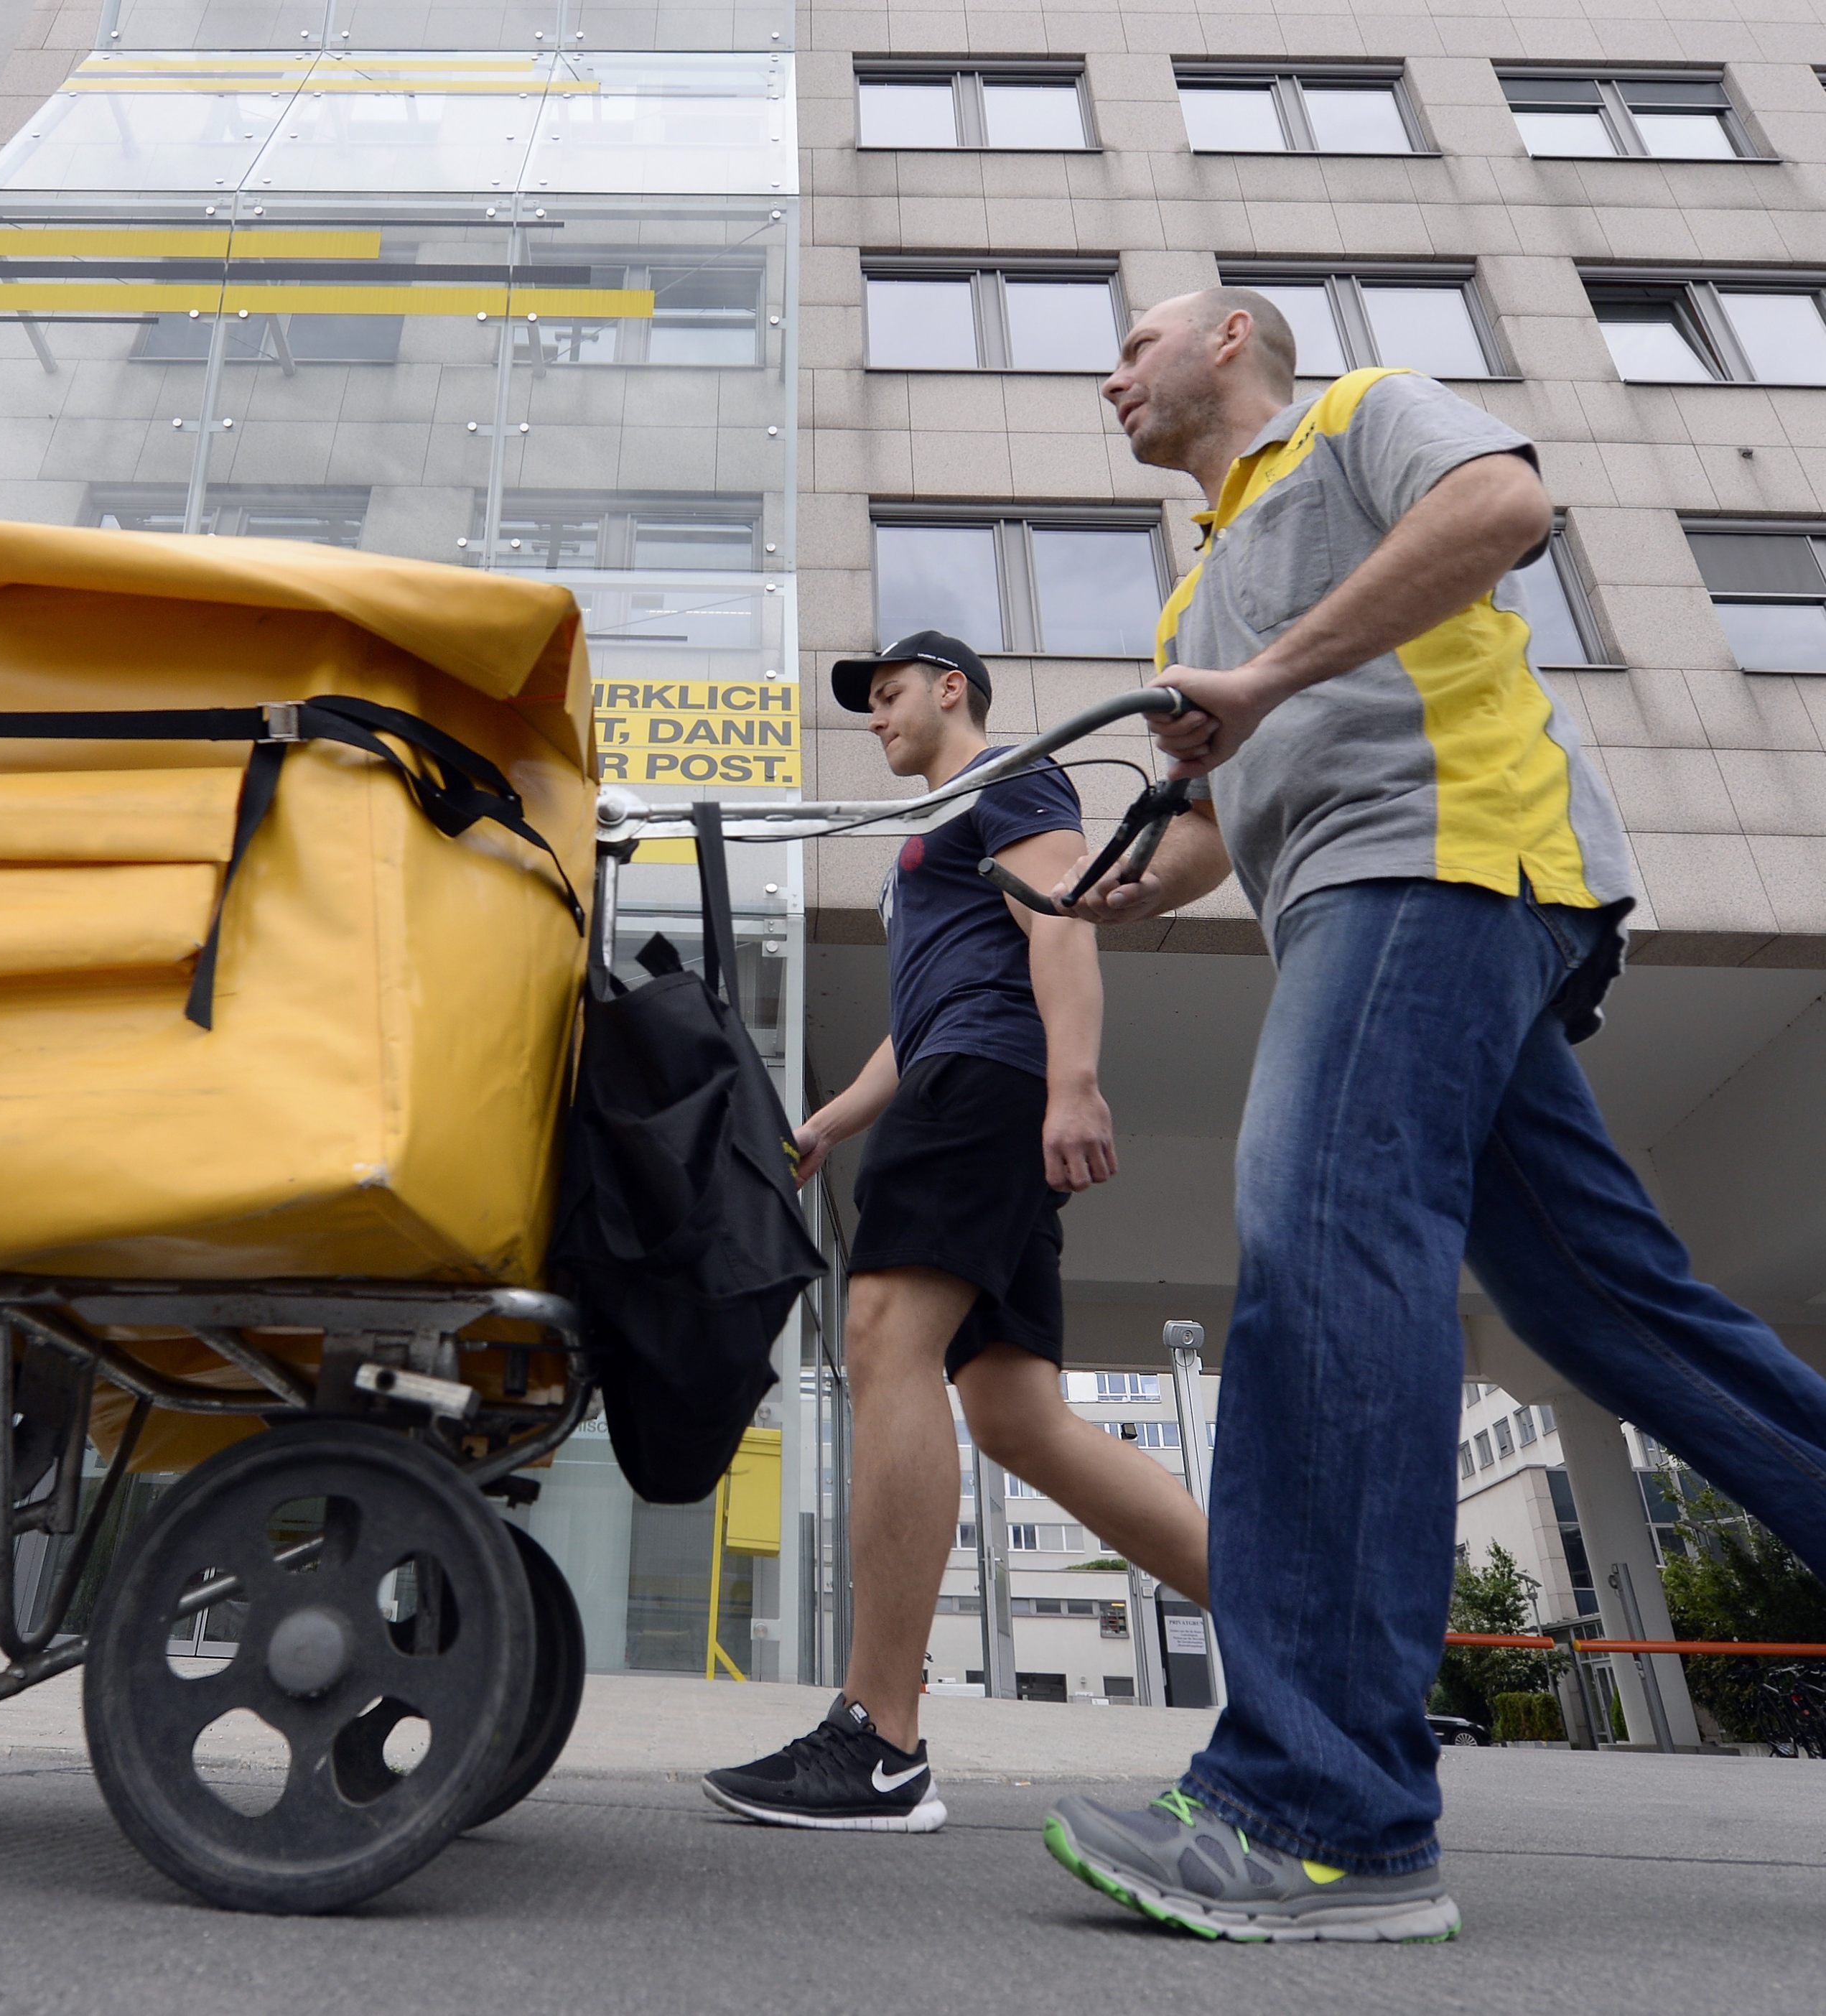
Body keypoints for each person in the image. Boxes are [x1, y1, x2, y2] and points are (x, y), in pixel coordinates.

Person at [1038, 287, 1826, 1941]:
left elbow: (1505, 511)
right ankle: (1323, 1799)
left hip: (1451, 864)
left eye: (1132, 346)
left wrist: (1254, 680)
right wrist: (1133, 882)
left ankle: (1324, 1817)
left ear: (1233, 338)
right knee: (1616, 1311)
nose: (1108, 376)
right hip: (1360, 895)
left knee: (1322, 1232)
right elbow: (1220, 818)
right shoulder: (1197, 577)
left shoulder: (1365, 414)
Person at [701, 629, 1213, 1833]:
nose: (872, 716)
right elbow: (916, 1016)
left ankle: (879, 1741)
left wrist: (1074, 1081)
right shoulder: (929, 841)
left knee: (884, 1333)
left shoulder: (1014, 775)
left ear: (951, 688)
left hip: (987, 1079)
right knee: (1015, 1415)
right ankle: (1310, 1644)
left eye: (887, 695)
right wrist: (824, 1125)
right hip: (958, 1064)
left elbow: (1061, 918)